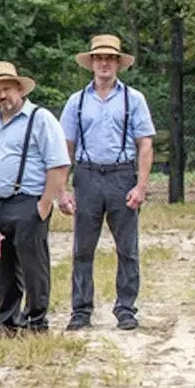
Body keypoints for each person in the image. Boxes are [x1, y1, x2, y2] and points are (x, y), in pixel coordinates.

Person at [57, 34, 156, 332]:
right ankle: (81, 310)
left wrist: (141, 185)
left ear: (118, 64)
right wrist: (61, 190)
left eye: (110, 58)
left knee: (127, 247)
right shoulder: (76, 102)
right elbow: (66, 148)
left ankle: (125, 308)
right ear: (91, 63)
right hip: (87, 175)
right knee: (82, 248)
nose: (104, 63)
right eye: (99, 58)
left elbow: (145, 144)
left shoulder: (133, 99)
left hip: (121, 175)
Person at [0, 61, 70, 335]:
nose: (2, 96)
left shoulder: (40, 119)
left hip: (27, 202)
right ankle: (7, 320)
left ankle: (36, 320)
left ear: (19, 89)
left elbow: (59, 164)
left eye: (7, 89)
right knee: (0, 267)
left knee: (32, 264)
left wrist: (44, 203)